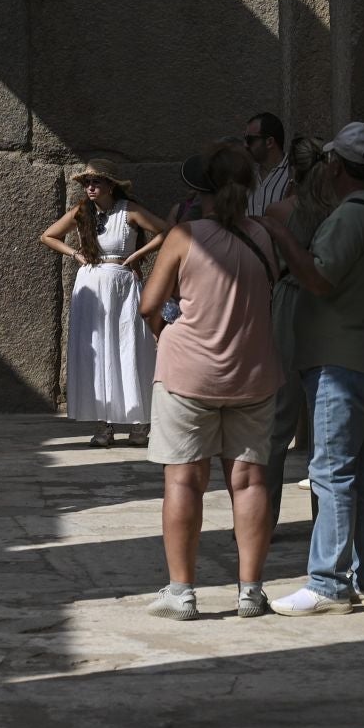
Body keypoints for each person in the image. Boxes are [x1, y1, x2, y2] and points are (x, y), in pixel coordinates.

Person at [255, 122, 364, 614]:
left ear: (337, 166)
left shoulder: (351, 218)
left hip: (342, 364)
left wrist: (280, 234)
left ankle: (328, 583)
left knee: (331, 471)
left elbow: (320, 279)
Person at [137, 141, 283, 619]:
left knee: (183, 479)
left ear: (202, 190)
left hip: (188, 374)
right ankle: (251, 591)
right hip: (253, 373)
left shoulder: (185, 235)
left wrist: (164, 336)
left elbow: (148, 305)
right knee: (249, 480)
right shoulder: (265, 235)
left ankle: (181, 592)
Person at [41, 160, 167, 447]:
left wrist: (137, 255)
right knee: (97, 351)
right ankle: (103, 424)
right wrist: (75, 254)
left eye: (96, 182)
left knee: (129, 346)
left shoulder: (129, 210)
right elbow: (48, 235)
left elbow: (165, 231)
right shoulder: (82, 211)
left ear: (112, 185)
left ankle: (139, 424)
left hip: (121, 283)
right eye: (87, 183)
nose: (91, 187)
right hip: (91, 284)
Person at [260, 135, 336, 532]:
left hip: (290, 302)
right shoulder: (337, 210)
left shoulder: (279, 210)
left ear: (293, 171)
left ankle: (264, 521)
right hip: (331, 307)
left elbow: (273, 266)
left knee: (278, 422)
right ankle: (325, 525)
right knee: (325, 419)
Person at [244, 111, 293, 217]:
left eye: (249, 140)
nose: (245, 145)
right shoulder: (246, 174)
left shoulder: (294, 173)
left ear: (269, 142)